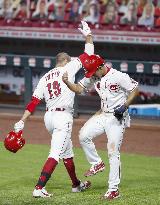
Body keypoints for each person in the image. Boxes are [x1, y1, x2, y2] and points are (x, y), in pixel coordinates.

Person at [13, 21, 94, 198]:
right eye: (70, 59)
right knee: (55, 153)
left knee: (67, 152)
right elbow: (89, 54)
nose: (72, 61)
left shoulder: (44, 77)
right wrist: (88, 35)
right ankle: (39, 187)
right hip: (62, 116)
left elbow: (33, 102)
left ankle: (76, 184)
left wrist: (22, 120)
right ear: (64, 61)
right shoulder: (69, 67)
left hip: (48, 117)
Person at [62, 53, 139, 200]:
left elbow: (135, 90)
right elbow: (79, 89)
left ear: (100, 66)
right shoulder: (93, 75)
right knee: (83, 135)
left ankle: (113, 189)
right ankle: (97, 163)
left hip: (117, 117)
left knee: (112, 152)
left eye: (93, 72)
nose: (92, 75)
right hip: (103, 114)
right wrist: (67, 82)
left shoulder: (118, 76)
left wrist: (124, 106)